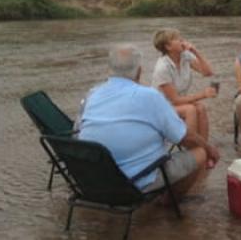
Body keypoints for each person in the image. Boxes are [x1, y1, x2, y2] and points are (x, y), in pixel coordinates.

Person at [78, 44, 217, 201]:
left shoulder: (92, 95)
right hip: (134, 183)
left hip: (92, 181)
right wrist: (209, 148)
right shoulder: (149, 96)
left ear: (109, 69)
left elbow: (78, 132)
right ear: (139, 71)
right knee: (200, 152)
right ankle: (170, 201)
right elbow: (185, 137)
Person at [151, 29, 219, 166]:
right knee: (190, 109)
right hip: (161, 107)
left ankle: (203, 152)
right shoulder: (162, 68)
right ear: (168, 46)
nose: (181, 40)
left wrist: (195, 51)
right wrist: (203, 94)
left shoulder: (185, 56)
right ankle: (192, 151)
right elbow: (175, 100)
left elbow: (207, 72)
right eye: (177, 39)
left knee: (201, 108)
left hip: (177, 103)